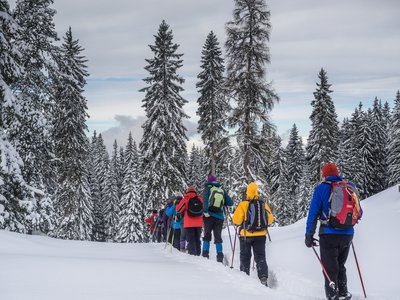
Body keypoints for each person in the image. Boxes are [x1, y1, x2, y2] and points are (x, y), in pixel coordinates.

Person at [305, 163, 362, 300]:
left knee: (330, 269)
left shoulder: (321, 189)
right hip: (348, 234)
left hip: (328, 234)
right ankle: (343, 293)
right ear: (337, 173)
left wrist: (309, 235)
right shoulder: (349, 188)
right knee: (340, 265)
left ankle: (333, 296)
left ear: (324, 175)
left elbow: (313, 214)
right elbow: (359, 213)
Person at [232, 182, 274, 286]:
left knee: (245, 257)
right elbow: (270, 220)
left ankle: (244, 277)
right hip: (261, 235)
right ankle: (263, 277)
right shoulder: (263, 204)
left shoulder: (243, 204)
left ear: (247, 192)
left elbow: (236, 221)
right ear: (256, 192)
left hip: (246, 235)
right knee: (260, 257)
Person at [202, 175, 233, 263]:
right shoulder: (221, 190)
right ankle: (219, 256)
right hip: (219, 217)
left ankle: (205, 254)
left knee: (207, 236)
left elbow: (205, 200)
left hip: (208, 216)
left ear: (209, 181)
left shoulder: (207, 189)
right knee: (218, 237)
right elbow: (230, 203)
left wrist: (205, 211)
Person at [176, 186, 204, 256]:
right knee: (197, 239)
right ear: (195, 191)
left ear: (187, 191)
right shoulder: (200, 199)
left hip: (189, 223)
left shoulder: (185, 199)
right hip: (199, 223)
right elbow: (204, 208)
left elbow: (178, 210)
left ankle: (193, 255)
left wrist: (177, 204)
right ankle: (198, 254)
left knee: (191, 240)